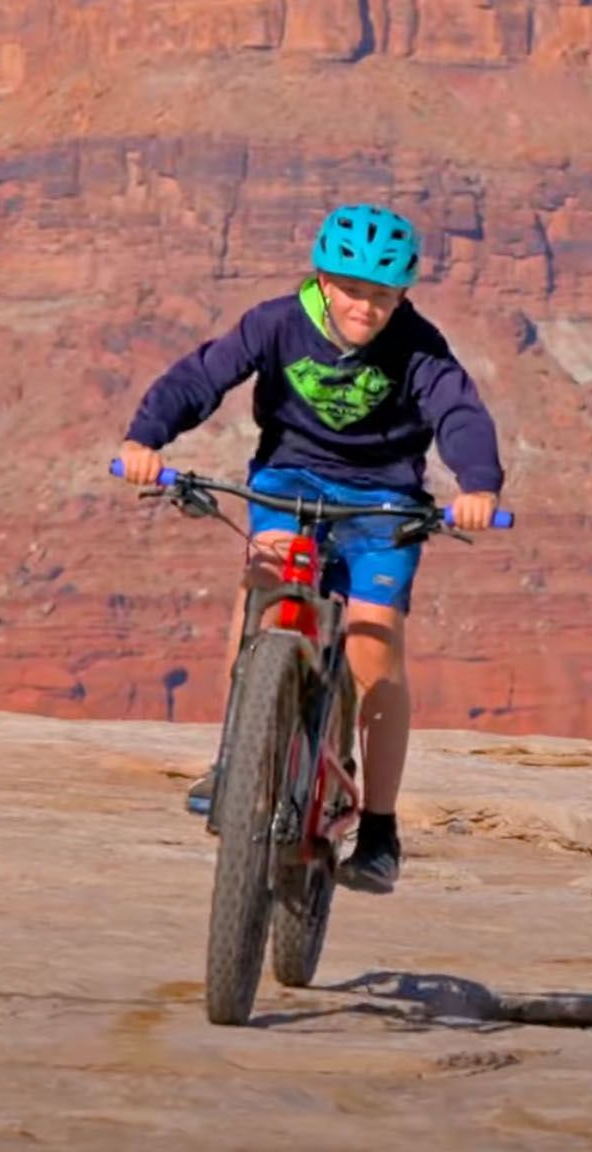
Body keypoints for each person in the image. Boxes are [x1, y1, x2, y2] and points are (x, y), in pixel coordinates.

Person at [116, 203, 505, 892]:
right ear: (324, 281)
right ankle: (238, 757)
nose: (365, 307)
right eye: (352, 289)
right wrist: (145, 438)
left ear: (403, 295)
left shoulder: (420, 347)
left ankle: (380, 828)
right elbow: (202, 376)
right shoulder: (277, 323)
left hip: (383, 499)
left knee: (374, 636)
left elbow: (459, 413)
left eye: (382, 295)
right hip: (290, 480)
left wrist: (479, 485)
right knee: (263, 580)